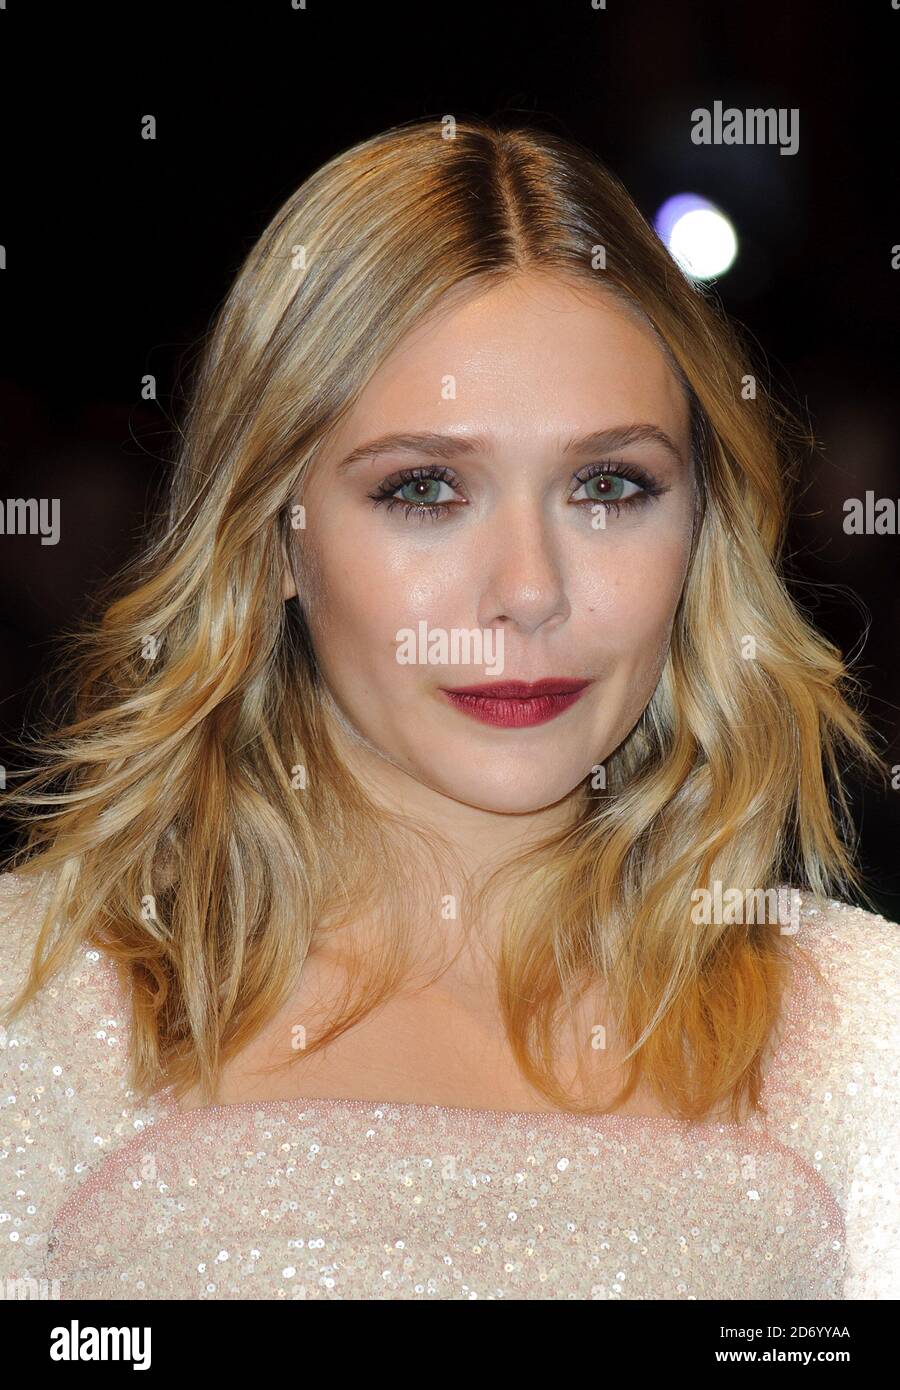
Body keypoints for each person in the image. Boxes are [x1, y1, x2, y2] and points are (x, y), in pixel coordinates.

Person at [1, 116, 897, 1300]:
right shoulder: (33, 1002)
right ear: (273, 532)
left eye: (608, 486)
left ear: (702, 530)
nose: (529, 591)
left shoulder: (862, 1040)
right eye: (425, 489)